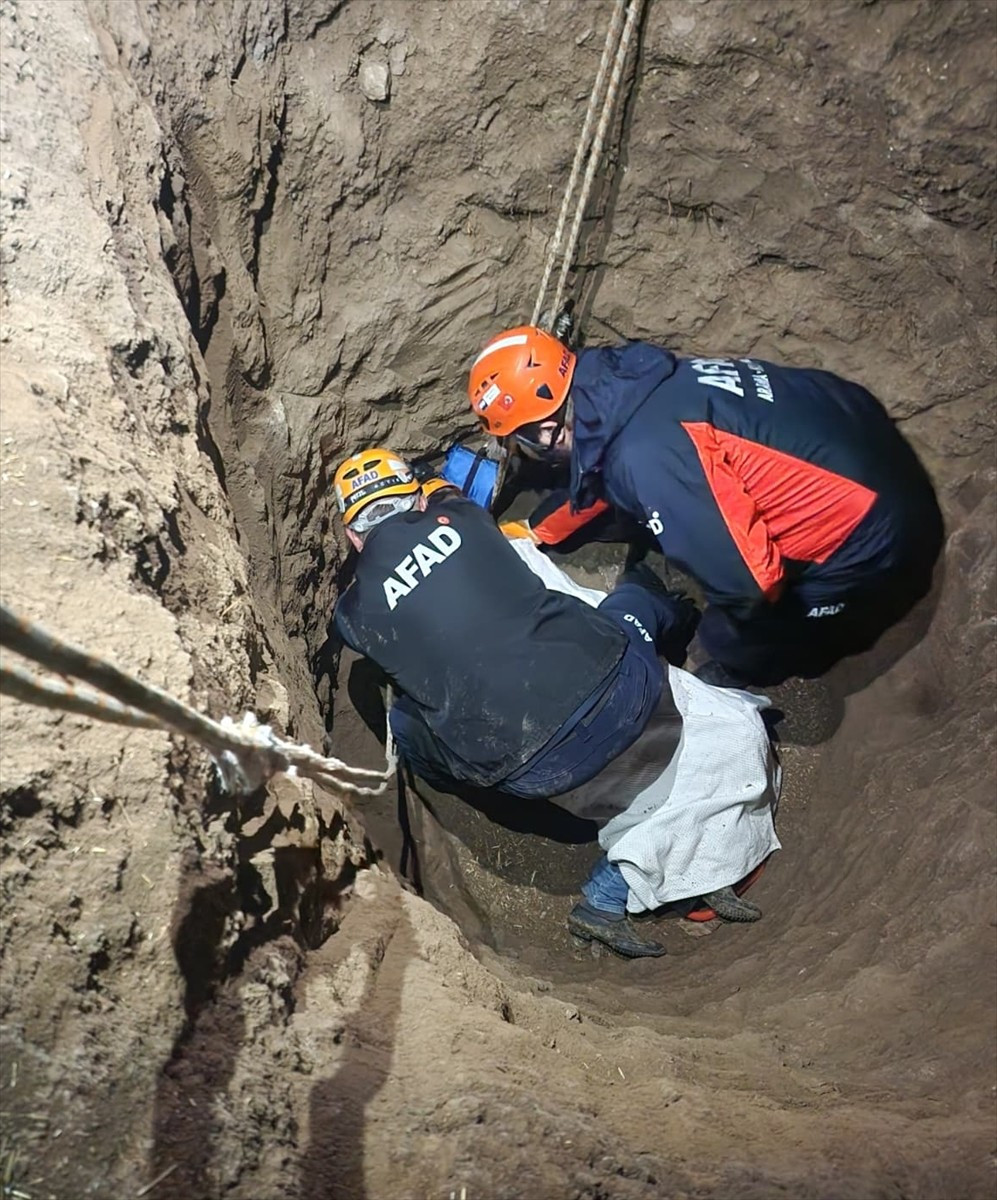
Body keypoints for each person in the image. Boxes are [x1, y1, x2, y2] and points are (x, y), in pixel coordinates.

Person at [331, 447, 763, 958]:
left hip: (527, 771)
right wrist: (434, 487)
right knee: (628, 609)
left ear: (354, 535)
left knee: (406, 721)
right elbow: (449, 496)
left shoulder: (352, 615)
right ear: (415, 499)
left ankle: (482, 803)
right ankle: (672, 606)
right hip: (628, 693)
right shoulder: (462, 517)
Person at [467, 326, 943, 686]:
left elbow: (753, 585)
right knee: (657, 500)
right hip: (857, 438)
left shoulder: (646, 458)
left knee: (726, 637)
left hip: (877, 537)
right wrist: (537, 529)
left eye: (518, 440)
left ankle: (797, 648)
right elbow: (600, 471)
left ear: (544, 432)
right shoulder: (623, 383)